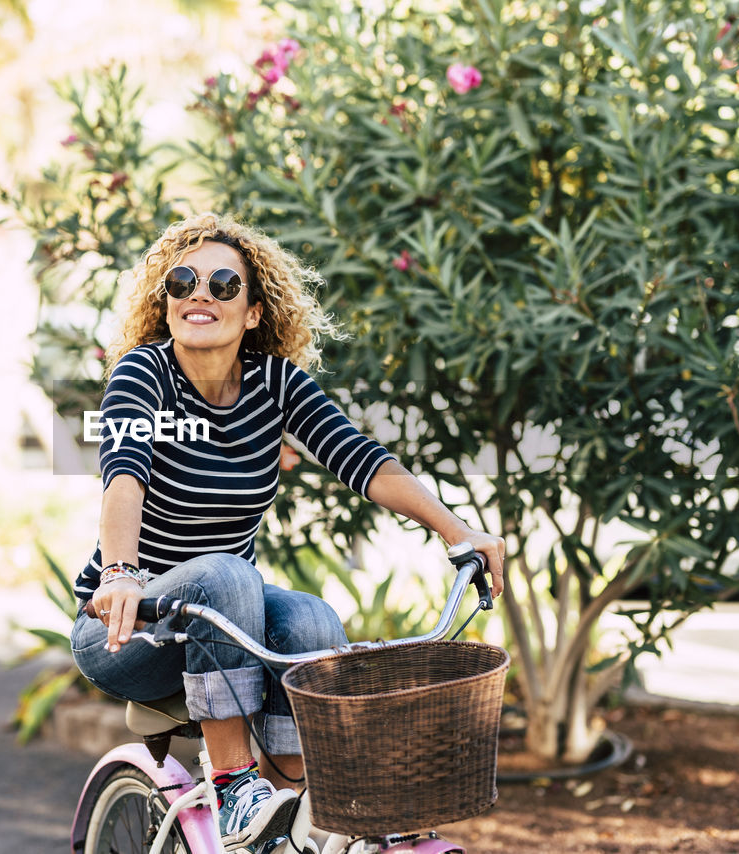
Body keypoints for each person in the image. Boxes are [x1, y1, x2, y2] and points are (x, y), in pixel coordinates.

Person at [70, 213, 506, 852]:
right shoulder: (144, 375)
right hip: (127, 626)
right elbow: (124, 477)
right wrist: (119, 573)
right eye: (183, 280)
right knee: (226, 572)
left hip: (223, 616)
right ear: (164, 303)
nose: (200, 293)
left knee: (311, 622)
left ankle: (290, 819)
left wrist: (458, 530)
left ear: (251, 312)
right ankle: (233, 786)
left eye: (223, 284)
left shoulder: (275, 385)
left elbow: (360, 459)